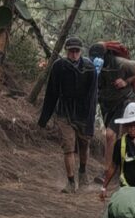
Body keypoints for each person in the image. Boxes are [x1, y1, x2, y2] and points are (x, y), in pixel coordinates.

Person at [37, 37, 98, 191]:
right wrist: (44, 119)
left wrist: (90, 120)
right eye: (71, 51)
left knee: (84, 145)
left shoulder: (90, 68)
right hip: (64, 112)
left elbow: (93, 97)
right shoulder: (59, 67)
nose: (74, 54)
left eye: (77, 51)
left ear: (81, 51)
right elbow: (51, 93)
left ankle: (82, 172)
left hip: (84, 113)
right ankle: (71, 182)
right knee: (68, 147)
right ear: (66, 51)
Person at [94, 40, 135, 131]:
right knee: (112, 134)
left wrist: (126, 81)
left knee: (114, 133)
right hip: (107, 104)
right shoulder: (94, 66)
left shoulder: (120, 63)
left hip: (123, 100)